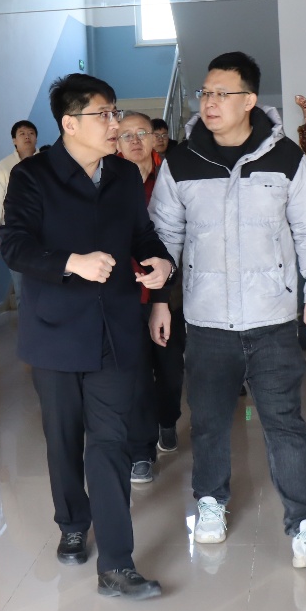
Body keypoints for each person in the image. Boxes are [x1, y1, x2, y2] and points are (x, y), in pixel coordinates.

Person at [148, 51, 306, 570]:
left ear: (249, 100)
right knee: (209, 420)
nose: (209, 103)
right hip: (207, 320)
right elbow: (163, 238)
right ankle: (210, 502)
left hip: (272, 319)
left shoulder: (287, 158)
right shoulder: (181, 162)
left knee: (285, 424)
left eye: (221, 93)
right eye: (205, 93)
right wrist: (160, 301)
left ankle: (305, 525)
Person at [0, 74, 176, 600]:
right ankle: (73, 524)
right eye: (105, 114)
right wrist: (71, 263)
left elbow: (142, 235)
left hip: (115, 329)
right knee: (62, 438)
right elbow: (14, 245)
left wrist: (161, 267)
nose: (115, 124)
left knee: (110, 442)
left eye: (116, 112)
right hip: (55, 331)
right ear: (70, 123)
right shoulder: (32, 176)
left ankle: (117, 563)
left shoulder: (122, 175)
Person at [115, 111, 187, 485]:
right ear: (116, 141)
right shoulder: (107, 182)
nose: (135, 140)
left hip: (170, 295)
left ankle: (168, 419)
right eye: (126, 134)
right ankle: (141, 452)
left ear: (155, 138)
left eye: (141, 133)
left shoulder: (171, 177)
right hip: (126, 296)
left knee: (170, 369)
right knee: (137, 375)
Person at [0, 120, 38, 305]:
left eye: (31, 133)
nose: (27, 137)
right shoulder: (3, 168)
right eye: (22, 133)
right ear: (14, 140)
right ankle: (25, 321)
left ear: (36, 138)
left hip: (42, 231)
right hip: (14, 233)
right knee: (21, 285)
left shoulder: (46, 162)